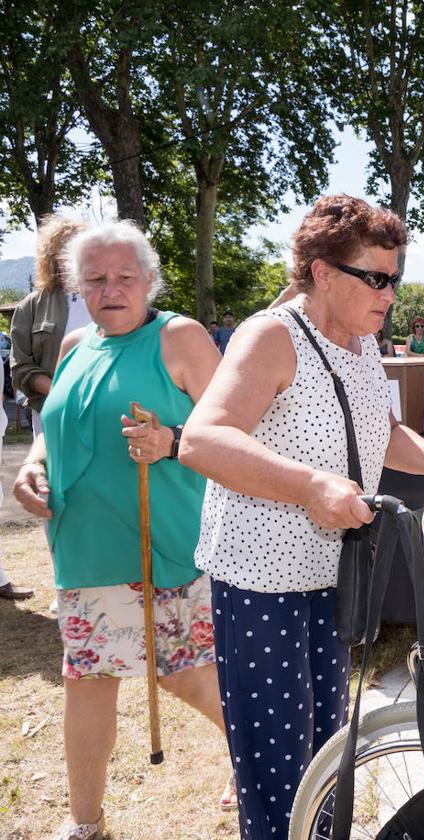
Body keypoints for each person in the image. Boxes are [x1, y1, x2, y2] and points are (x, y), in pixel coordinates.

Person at [180, 194, 424, 838]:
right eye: (376, 278)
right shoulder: (271, 335)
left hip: (329, 576)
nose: (389, 294)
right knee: (276, 765)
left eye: (395, 278)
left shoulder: (360, 346)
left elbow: (379, 432)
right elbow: (202, 440)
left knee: (326, 754)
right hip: (259, 582)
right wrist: (308, 487)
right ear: (323, 272)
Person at [9, 220, 231, 840]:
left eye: (125, 277)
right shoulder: (76, 344)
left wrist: (169, 442)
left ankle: (264, 764)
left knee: (182, 671)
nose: (111, 289)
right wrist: (31, 468)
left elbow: (234, 436)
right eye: (97, 278)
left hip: (162, 540)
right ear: (79, 286)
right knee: (86, 677)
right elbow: (52, 434)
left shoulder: (180, 338)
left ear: (149, 281)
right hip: (82, 545)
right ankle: (85, 823)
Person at [9, 215, 88, 437]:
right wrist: (62, 393)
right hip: (52, 414)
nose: (73, 254)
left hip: (104, 410)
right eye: (66, 248)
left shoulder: (107, 299)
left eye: (80, 246)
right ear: (52, 256)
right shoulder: (31, 306)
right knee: (51, 470)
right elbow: (21, 368)